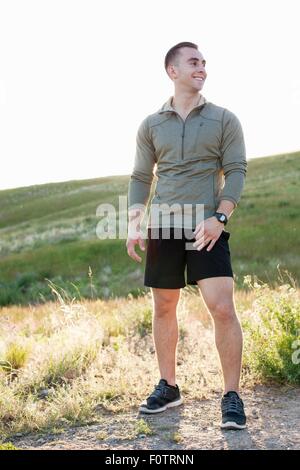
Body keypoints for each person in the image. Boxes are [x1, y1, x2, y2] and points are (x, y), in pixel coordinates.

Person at [126, 42, 247, 430]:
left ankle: (231, 395)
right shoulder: (151, 124)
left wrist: (220, 218)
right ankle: (169, 386)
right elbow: (141, 177)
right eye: (194, 62)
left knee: (222, 307)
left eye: (204, 63)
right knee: (163, 307)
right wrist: (134, 222)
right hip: (162, 225)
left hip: (205, 226)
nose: (202, 68)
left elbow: (237, 170)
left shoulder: (224, 119)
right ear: (172, 70)